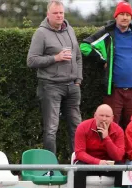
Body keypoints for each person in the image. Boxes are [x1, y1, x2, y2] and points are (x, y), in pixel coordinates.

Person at [80, 1, 132, 128]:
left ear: (131, 17)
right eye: (122, 14)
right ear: (116, 16)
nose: (125, 17)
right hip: (113, 90)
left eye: (128, 15)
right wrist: (102, 60)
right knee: (111, 126)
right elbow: (84, 46)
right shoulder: (107, 33)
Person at [26, 0, 82, 155]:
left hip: (72, 86)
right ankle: (51, 169)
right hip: (50, 86)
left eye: (61, 13)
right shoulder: (41, 33)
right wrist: (55, 58)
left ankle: (77, 166)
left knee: (77, 128)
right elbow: (31, 60)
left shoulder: (69, 29)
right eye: (55, 13)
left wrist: (78, 80)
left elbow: (78, 56)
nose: (59, 16)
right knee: (51, 129)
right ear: (48, 14)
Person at [73, 104, 125, 188]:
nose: (104, 119)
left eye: (107, 116)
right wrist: (98, 162)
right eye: (101, 115)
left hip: (109, 164)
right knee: (79, 168)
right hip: (88, 163)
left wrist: (106, 138)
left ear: (112, 118)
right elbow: (80, 153)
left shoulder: (118, 130)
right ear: (95, 116)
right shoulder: (83, 127)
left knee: (122, 169)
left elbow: (118, 156)